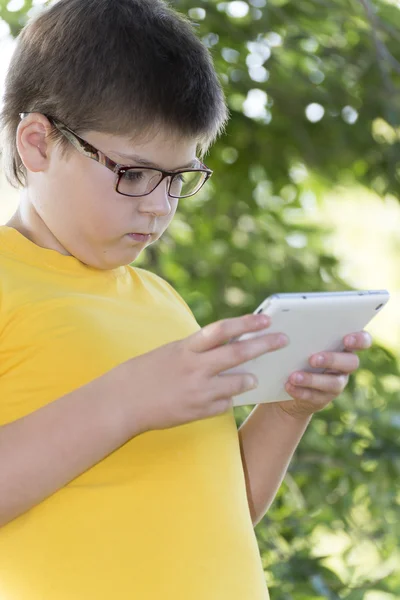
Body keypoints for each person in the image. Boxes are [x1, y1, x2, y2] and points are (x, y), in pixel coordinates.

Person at [0, 1, 371, 598]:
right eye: (136, 173)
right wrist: (127, 399)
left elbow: (223, 511)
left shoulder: (162, 301)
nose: (158, 206)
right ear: (39, 144)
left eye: (178, 179)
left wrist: (285, 409)